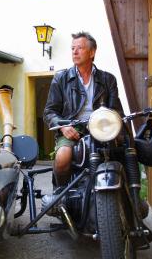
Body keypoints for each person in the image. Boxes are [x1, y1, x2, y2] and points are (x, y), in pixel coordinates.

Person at [43, 32, 124, 201]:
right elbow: (49, 112)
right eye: (73, 48)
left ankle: (129, 198)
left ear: (92, 52)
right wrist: (63, 126)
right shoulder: (61, 78)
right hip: (73, 128)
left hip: (101, 127)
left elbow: (116, 111)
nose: (74, 52)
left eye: (80, 48)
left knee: (126, 151)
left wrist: (119, 131)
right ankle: (60, 195)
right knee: (63, 155)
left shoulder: (108, 79)